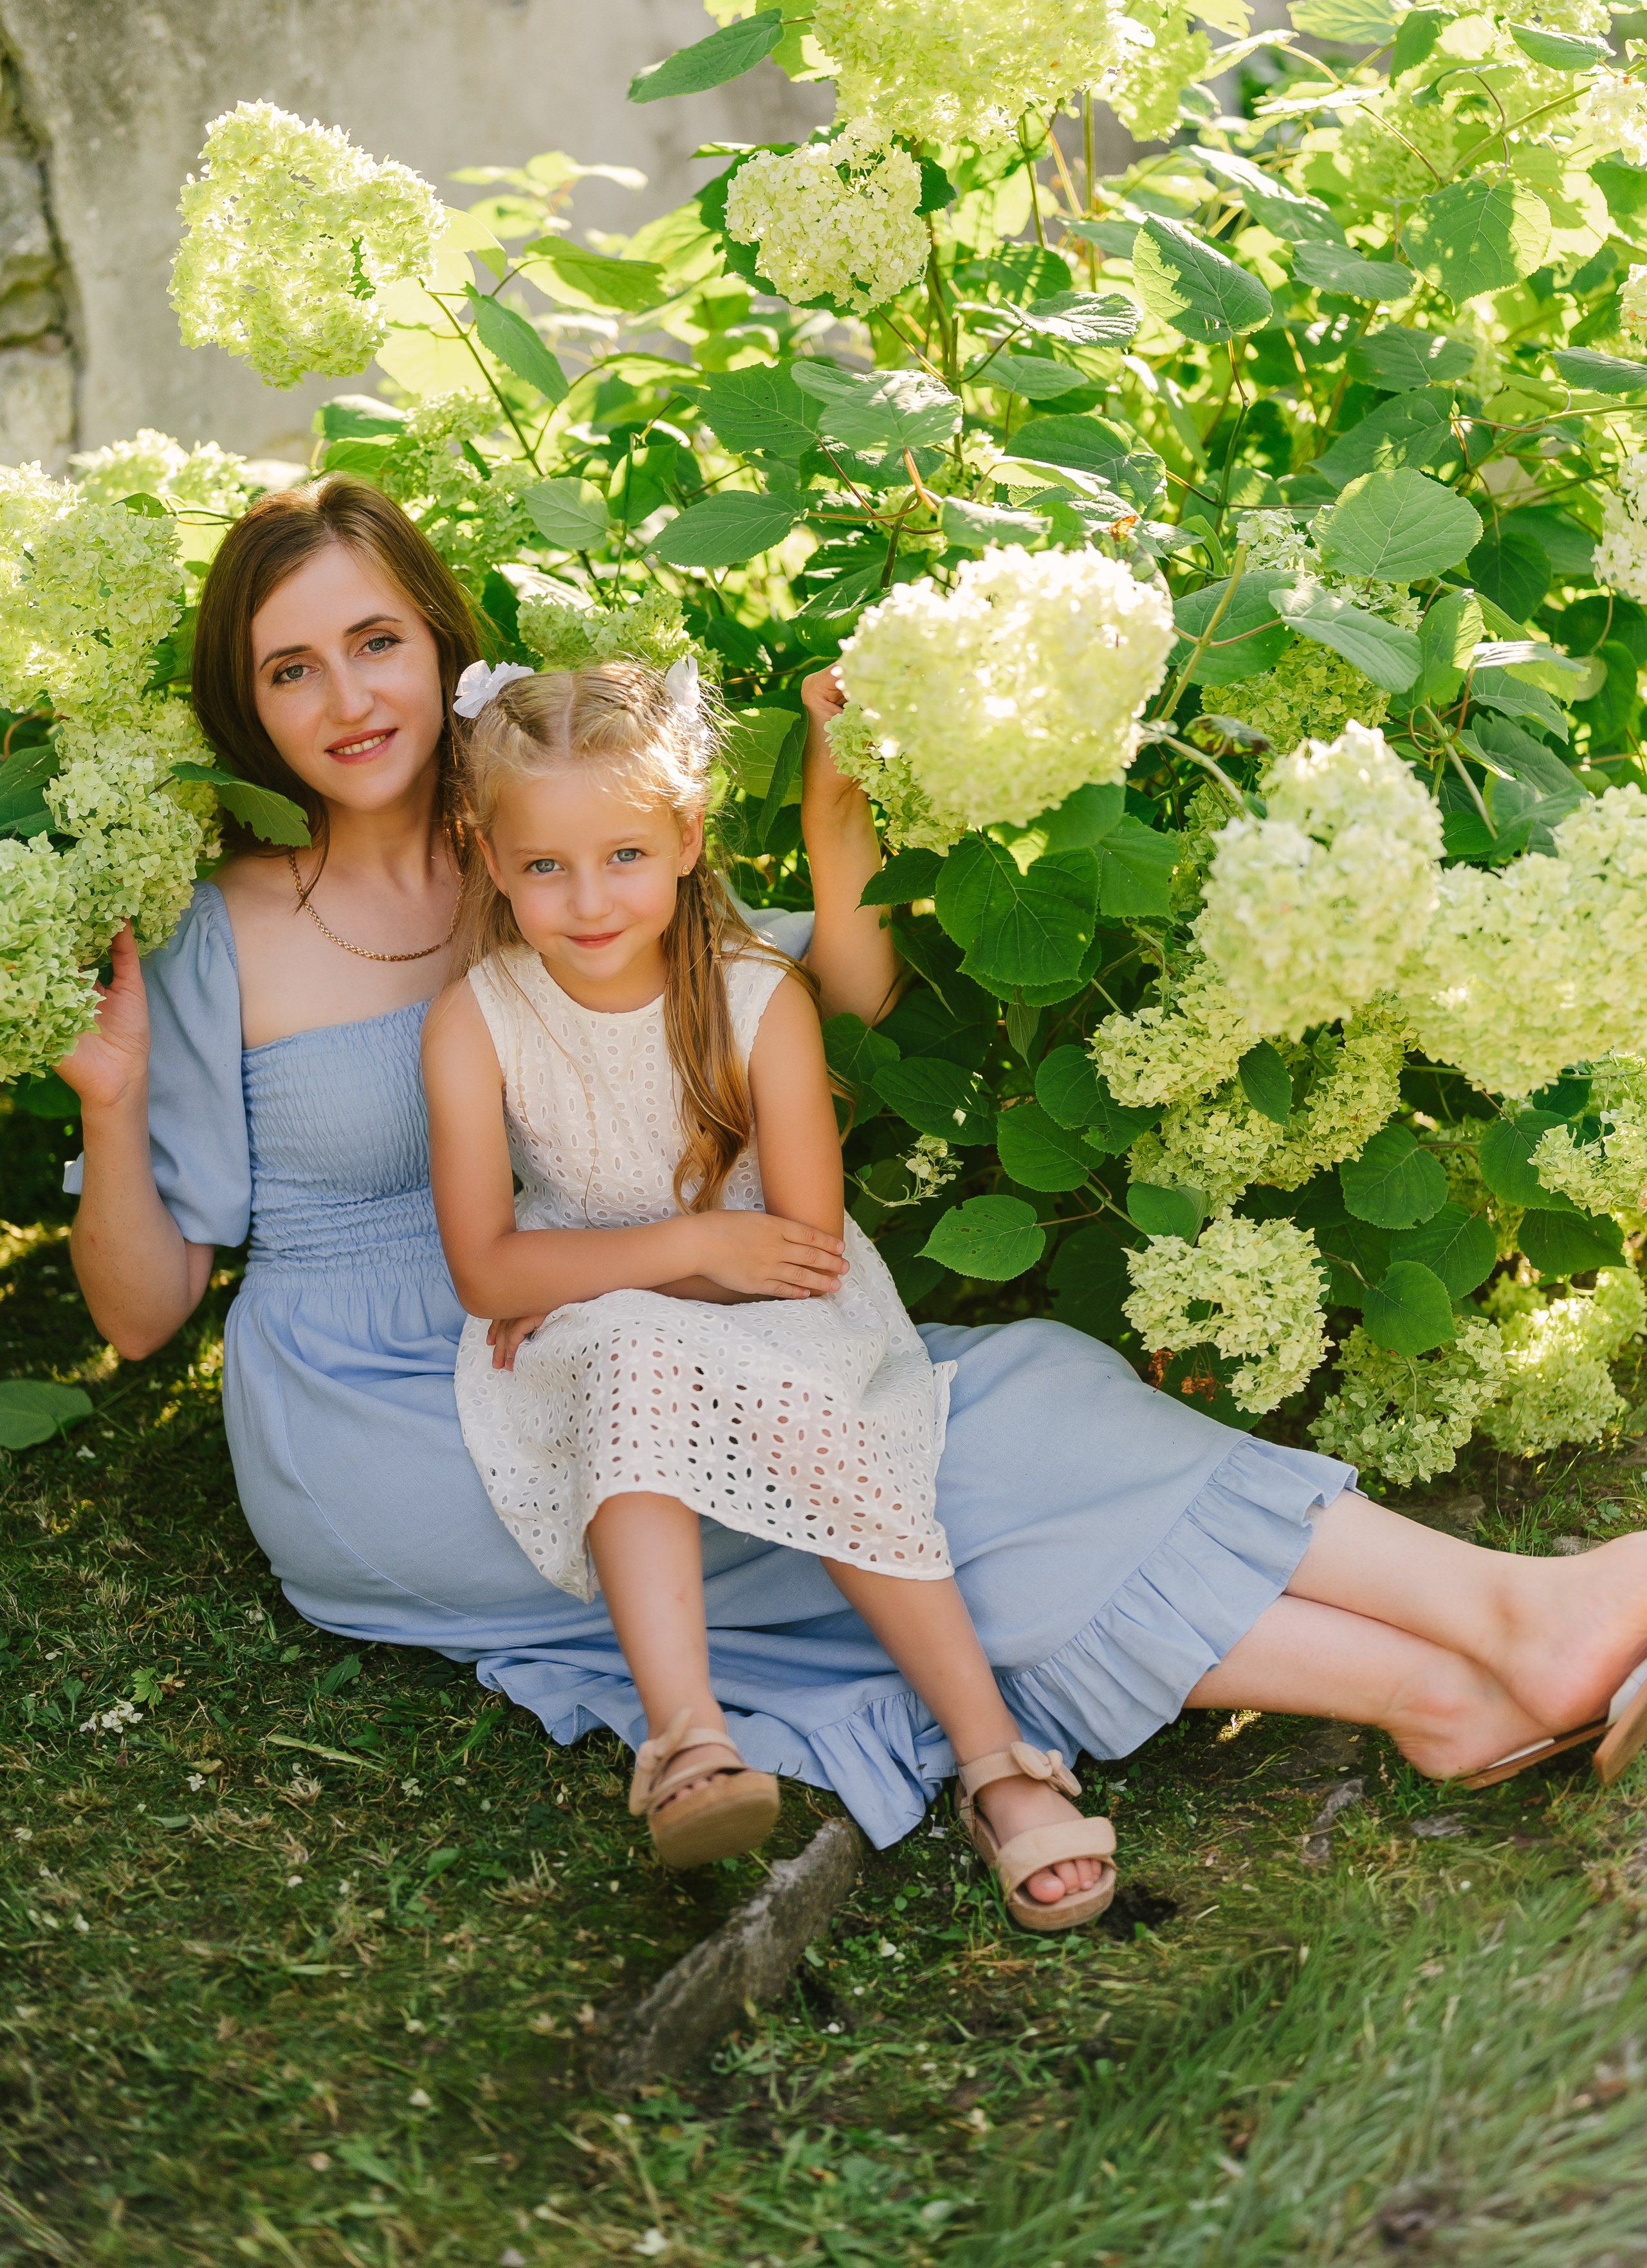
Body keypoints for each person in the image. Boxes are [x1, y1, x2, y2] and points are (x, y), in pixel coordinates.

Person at [56, 479, 1647, 1930]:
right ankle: (1512, 1623)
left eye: (374, 641)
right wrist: (115, 1103)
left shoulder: (559, 850)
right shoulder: (229, 928)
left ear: (438, 643)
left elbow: (831, 983)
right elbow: (143, 1313)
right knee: (907, 1467)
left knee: (991, 1401)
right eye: (290, 669)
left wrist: (833, 816)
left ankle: (1452, 1685)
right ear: (245, 702)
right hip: (383, 1422)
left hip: (635, 1317)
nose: (346, 699)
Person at [420, 657, 1116, 1926]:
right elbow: (487, 1269)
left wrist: (669, 1263)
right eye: (542, 868)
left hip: (780, 1307)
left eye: (623, 854)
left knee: (760, 1386)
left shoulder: (758, 999)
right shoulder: (477, 1017)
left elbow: (795, 1243)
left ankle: (994, 1756)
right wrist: (681, 1251)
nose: (585, 901)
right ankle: (687, 1743)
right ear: (485, 856)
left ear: (686, 837)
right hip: (601, 1311)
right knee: (630, 1347)